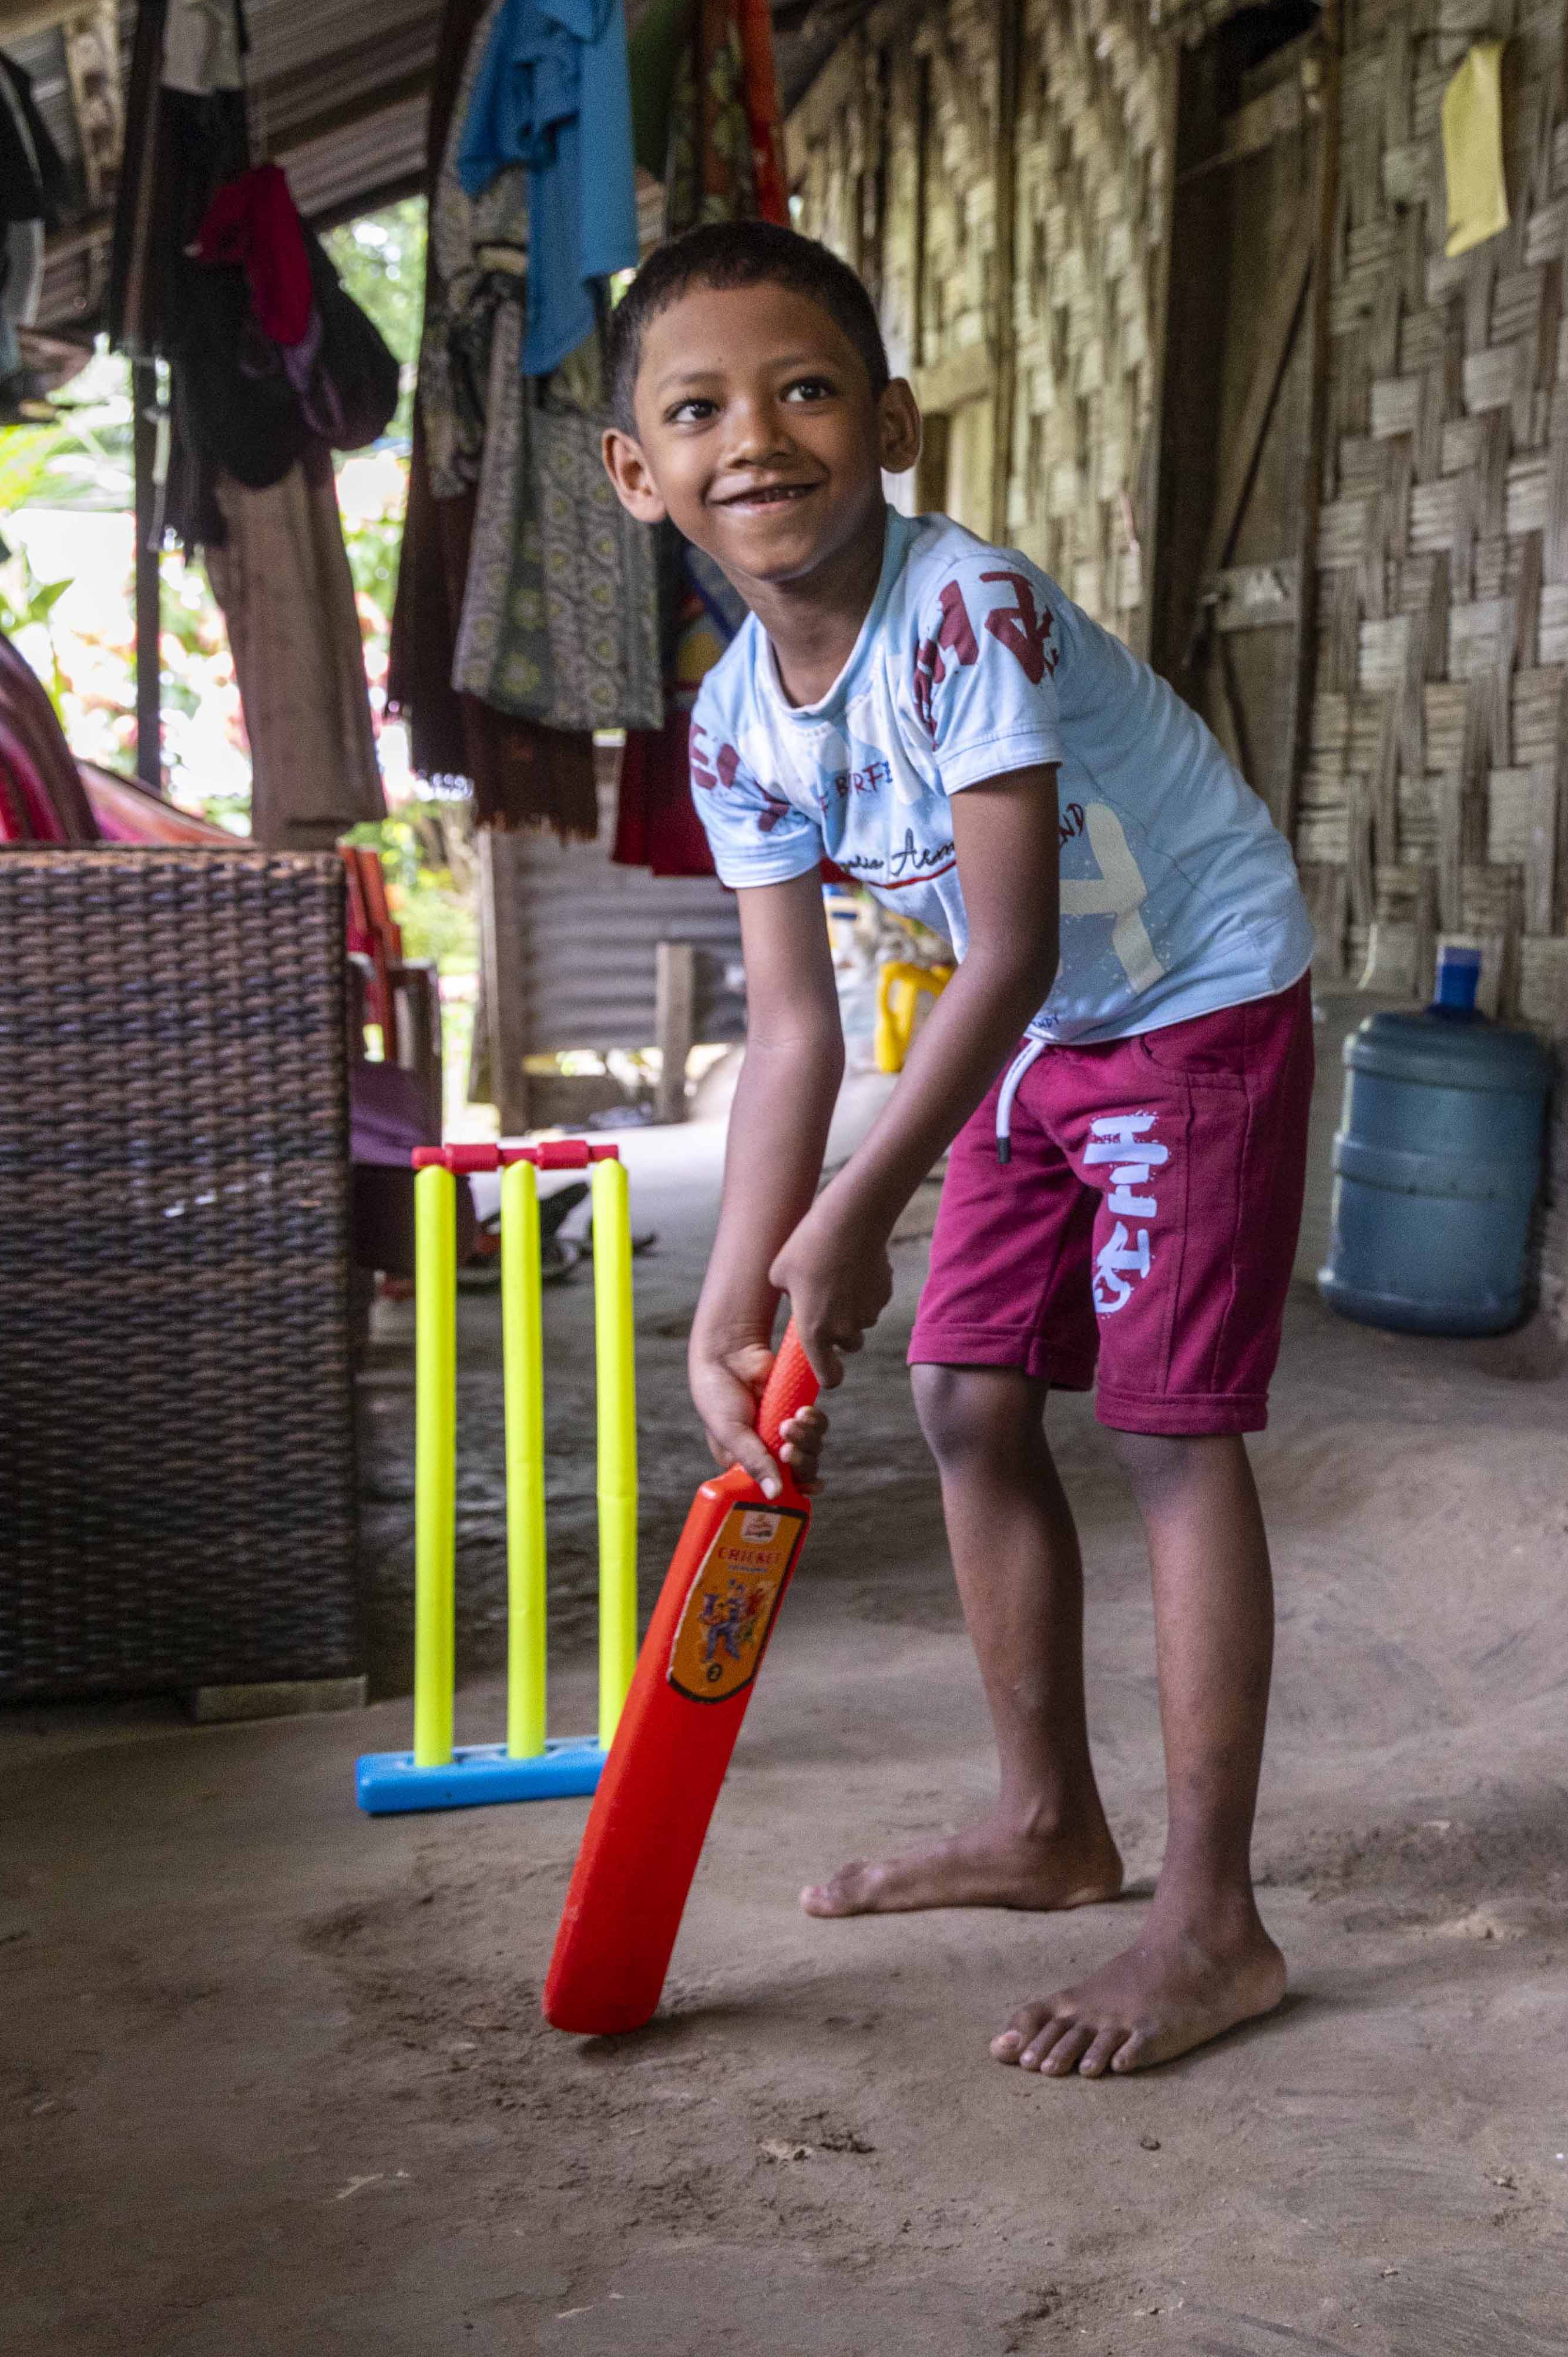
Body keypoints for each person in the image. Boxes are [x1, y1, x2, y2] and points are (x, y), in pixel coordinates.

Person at [597, 219, 1318, 2080]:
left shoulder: (963, 607)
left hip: (1190, 1000)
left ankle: (1215, 1920)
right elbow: (788, 1031)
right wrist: (743, 1297)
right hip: (1046, 1029)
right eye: (698, 408)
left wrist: (854, 1209)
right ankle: (1048, 1827)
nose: (755, 434)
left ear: (892, 423)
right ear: (638, 472)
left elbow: (994, 950)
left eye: (806, 386)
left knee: (1167, 1425)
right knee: (966, 1398)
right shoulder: (735, 722)